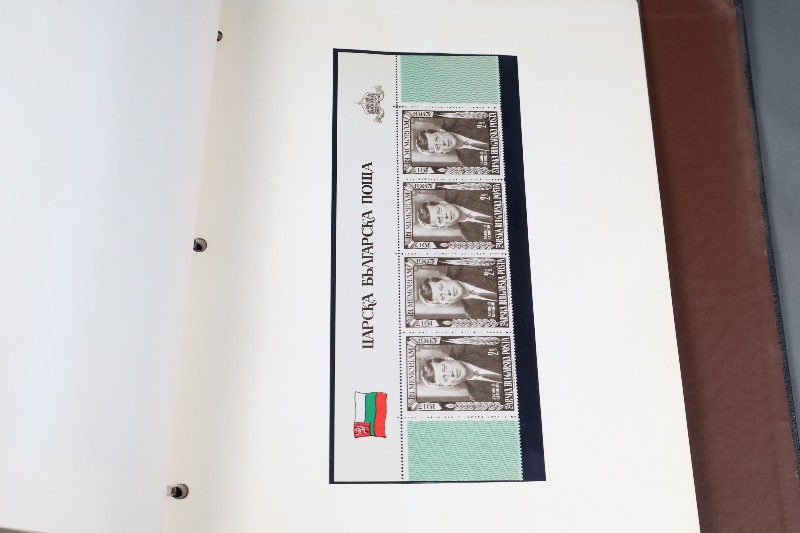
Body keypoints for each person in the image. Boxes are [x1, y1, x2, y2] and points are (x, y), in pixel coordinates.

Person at [419, 348, 503, 401]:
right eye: (445, 378)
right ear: (449, 386)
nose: (450, 373)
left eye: (444, 368)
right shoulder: (477, 395)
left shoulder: (470, 345)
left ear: (448, 358)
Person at [417, 268, 498, 320]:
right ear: (446, 303)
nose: (447, 292)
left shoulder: (469, 266)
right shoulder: (473, 314)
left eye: (441, 287)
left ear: (445, 278)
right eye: (442, 297)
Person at [414, 119, 491, 168]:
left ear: (440, 130)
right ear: (441, 153)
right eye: (437, 147)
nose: (442, 143)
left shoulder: (462, 119)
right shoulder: (466, 163)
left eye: (437, 138)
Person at [415, 195, 493, 242]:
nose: (444, 215)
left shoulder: (465, 191)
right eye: (440, 220)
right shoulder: (470, 237)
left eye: (439, 210)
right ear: (443, 226)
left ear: (442, 202)